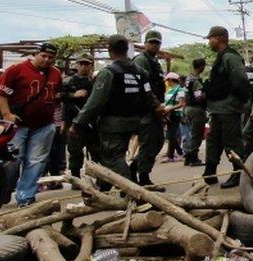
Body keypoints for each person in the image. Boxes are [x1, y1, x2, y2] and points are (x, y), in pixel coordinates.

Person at [70, 35, 151, 190]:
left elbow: (94, 102)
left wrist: (77, 123)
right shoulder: (140, 72)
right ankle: (104, 188)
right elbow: (148, 96)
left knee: (113, 158)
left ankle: (132, 191)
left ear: (109, 51)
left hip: (112, 124)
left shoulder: (109, 72)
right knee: (111, 157)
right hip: (133, 121)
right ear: (127, 50)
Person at [0, 42, 63, 206]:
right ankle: (3, 192)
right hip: (19, 125)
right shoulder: (17, 69)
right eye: (43, 56)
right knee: (13, 160)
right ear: (36, 54)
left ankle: (25, 197)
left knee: (36, 161)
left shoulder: (55, 73)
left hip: (44, 125)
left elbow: (58, 94)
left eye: (50, 57)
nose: (46, 60)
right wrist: (6, 114)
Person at [202, 26, 251, 188]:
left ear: (219, 38)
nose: (209, 42)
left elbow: (241, 80)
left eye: (211, 38)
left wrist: (239, 101)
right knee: (213, 140)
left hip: (228, 108)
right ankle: (210, 171)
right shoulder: (221, 57)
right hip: (218, 108)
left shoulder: (230, 57)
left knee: (232, 142)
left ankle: (238, 173)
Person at [132, 30, 167, 187]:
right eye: (151, 42)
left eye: (157, 43)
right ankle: (143, 178)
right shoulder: (141, 60)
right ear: (145, 44)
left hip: (156, 109)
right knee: (149, 143)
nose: (154, 45)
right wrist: (156, 105)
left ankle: (134, 169)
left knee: (158, 142)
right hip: (146, 110)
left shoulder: (155, 62)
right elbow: (144, 87)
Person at [59, 55, 95, 178]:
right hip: (73, 123)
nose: (83, 67)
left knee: (96, 152)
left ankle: (100, 179)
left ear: (91, 66)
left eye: (87, 64)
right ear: (77, 65)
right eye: (81, 64)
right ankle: (75, 178)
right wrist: (73, 95)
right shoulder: (69, 81)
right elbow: (59, 97)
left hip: (92, 123)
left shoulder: (95, 82)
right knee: (75, 153)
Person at [183, 58, 208, 166]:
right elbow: (198, 97)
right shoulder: (196, 80)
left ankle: (188, 157)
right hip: (196, 110)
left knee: (191, 134)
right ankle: (193, 158)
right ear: (202, 66)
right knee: (196, 135)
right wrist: (207, 93)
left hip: (188, 108)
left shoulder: (188, 78)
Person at [162, 72, 185, 162]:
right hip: (169, 115)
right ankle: (171, 156)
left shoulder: (180, 90)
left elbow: (181, 103)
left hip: (175, 114)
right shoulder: (170, 90)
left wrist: (170, 109)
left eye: (167, 80)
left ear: (171, 80)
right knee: (170, 135)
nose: (167, 82)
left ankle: (180, 152)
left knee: (171, 135)